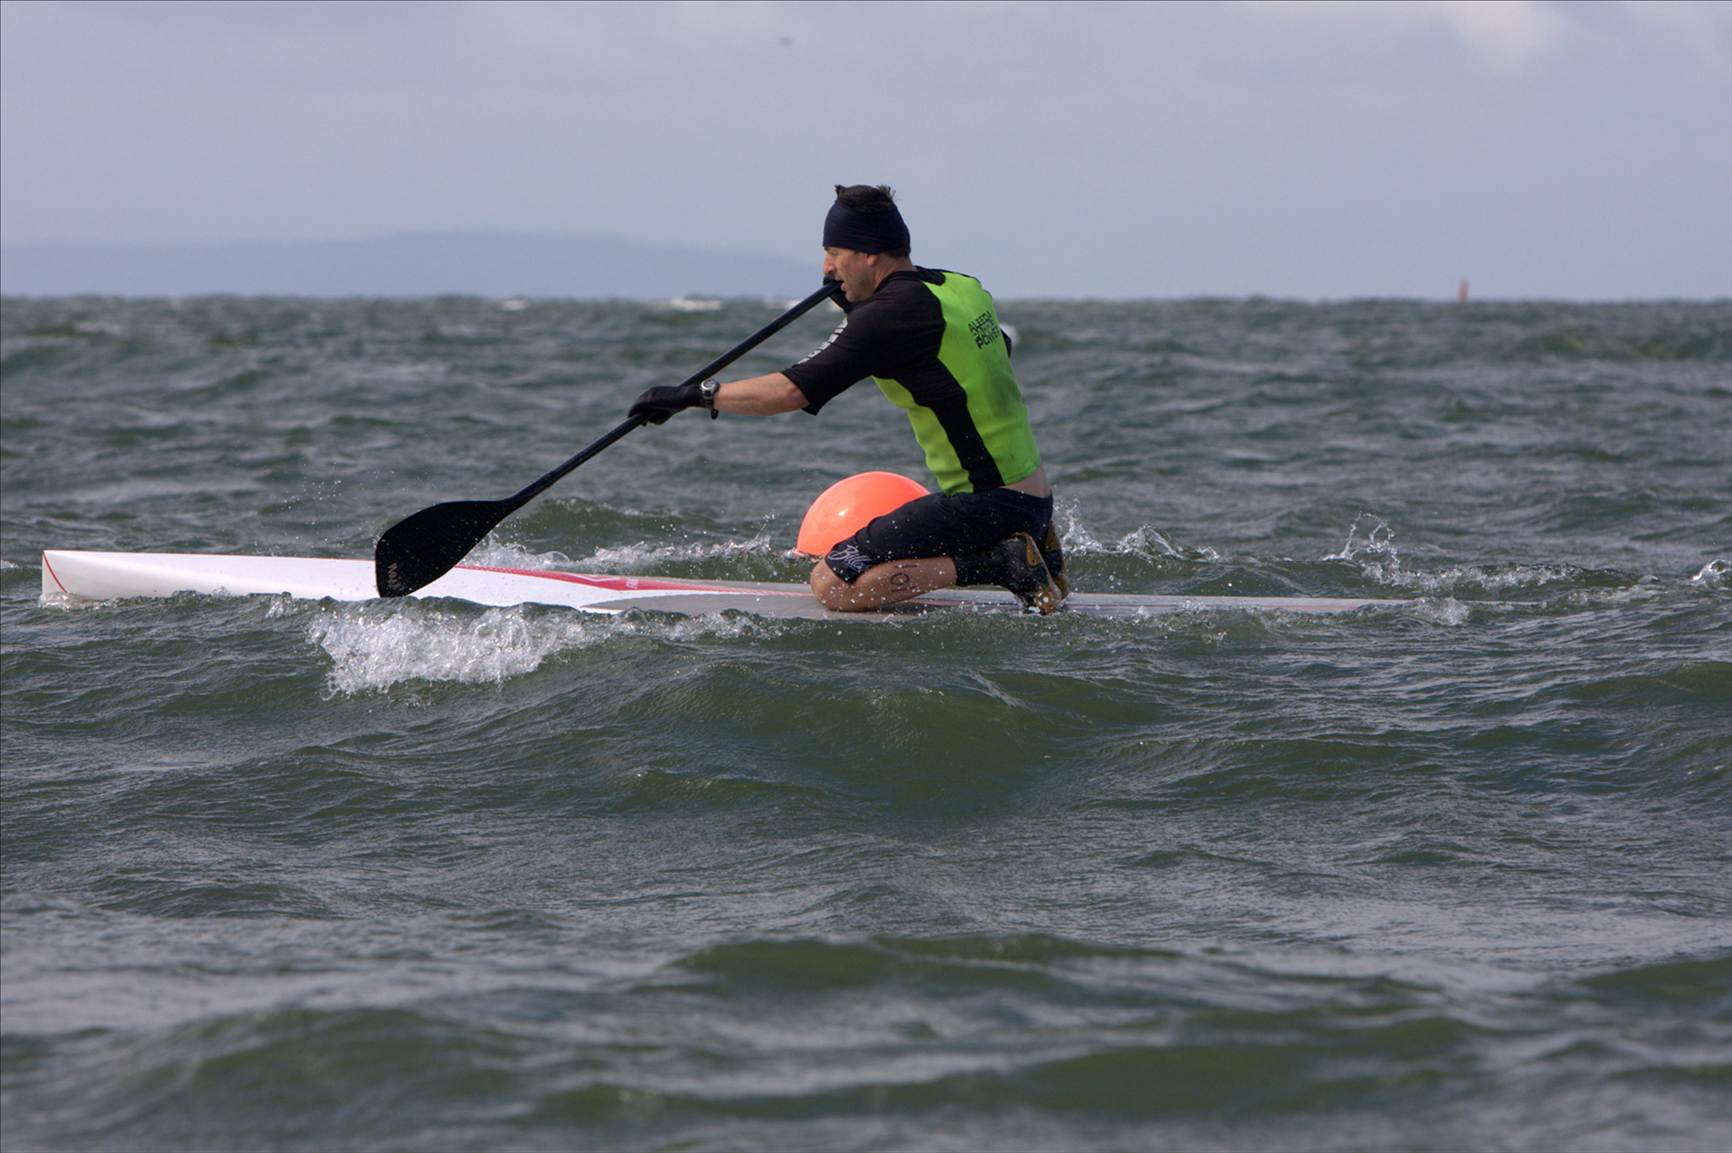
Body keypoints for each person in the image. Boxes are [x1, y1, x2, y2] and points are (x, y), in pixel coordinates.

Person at [629, 184, 1067, 614]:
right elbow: (980, 352)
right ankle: (1031, 546)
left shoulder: (887, 317)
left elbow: (790, 391)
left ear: (869, 253)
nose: (827, 267)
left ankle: (1001, 562)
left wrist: (696, 396)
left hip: (987, 503)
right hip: (1034, 496)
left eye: (835, 253)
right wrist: (860, 314)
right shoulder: (962, 287)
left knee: (835, 584)